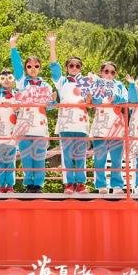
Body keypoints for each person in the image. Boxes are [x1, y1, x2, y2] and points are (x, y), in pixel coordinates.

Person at [47, 32, 90, 194]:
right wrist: (52, 44)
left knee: (81, 155)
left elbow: (91, 100)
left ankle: (81, 183)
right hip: (65, 123)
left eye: (77, 66)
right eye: (71, 65)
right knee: (66, 155)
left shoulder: (86, 81)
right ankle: (69, 183)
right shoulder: (62, 81)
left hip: (81, 123)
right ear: (67, 68)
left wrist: (90, 98)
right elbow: (54, 66)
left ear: (81, 68)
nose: (74, 68)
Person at [10, 34, 53, 193]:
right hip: (24, 126)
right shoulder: (21, 82)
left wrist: (52, 101)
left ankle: (38, 185)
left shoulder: (46, 85)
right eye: (29, 66)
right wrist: (13, 46)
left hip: (40, 127)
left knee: (39, 158)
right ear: (26, 68)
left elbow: (50, 106)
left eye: (36, 66)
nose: (33, 69)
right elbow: (16, 65)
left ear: (40, 68)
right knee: (26, 158)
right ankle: (29, 184)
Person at [89, 62, 128, 194]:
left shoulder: (120, 85)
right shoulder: (97, 84)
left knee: (117, 159)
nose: (109, 74)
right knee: (100, 159)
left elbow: (126, 99)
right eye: (106, 71)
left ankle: (117, 185)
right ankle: (101, 185)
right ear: (101, 72)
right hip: (100, 126)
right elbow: (94, 101)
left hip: (117, 127)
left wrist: (115, 98)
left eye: (112, 72)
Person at [0, 68, 19, 193]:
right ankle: (2, 185)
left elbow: (19, 109)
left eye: (9, 78)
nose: (6, 80)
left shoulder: (18, 94)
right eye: (3, 78)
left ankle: (10, 186)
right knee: (1, 162)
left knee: (10, 161)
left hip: (12, 132)